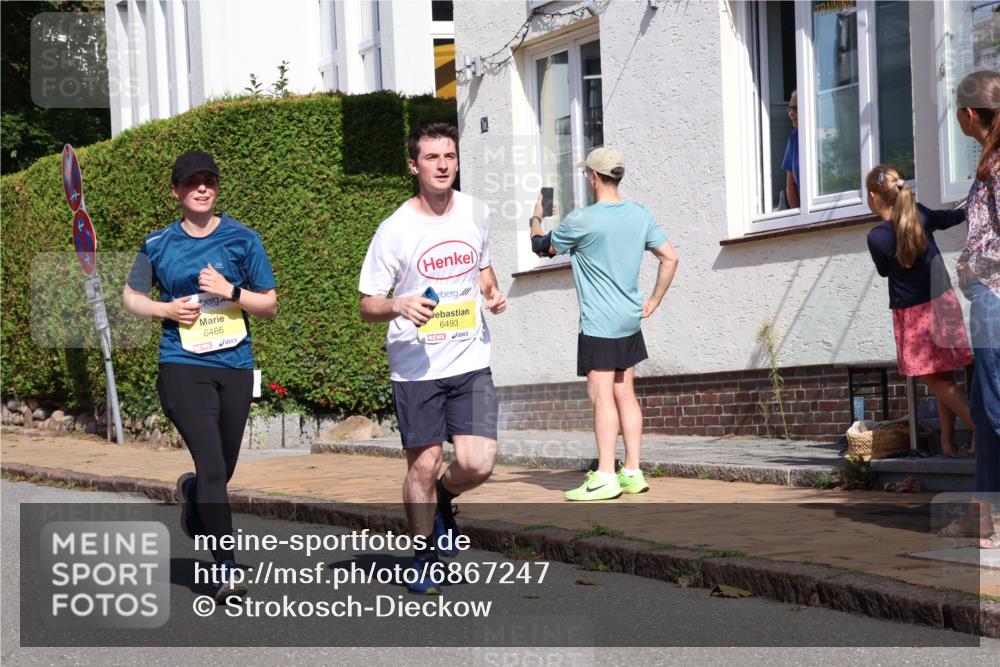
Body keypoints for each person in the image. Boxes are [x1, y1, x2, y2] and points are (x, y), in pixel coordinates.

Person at [123, 150, 278, 601]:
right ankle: (227, 568)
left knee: (222, 468)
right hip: (182, 364)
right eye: (192, 182)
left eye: (209, 179)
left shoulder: (243, 239)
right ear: (176, 192)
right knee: (212, 465)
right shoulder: (158, 244)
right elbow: (131, 296)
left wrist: (230, 291)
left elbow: (268, 304)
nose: (202, 187)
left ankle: (192, 495)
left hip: (234, 365)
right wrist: (164, 309)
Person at [359, 122, 507, 592]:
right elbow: (367, 304)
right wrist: (398, 304)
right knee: (422, 465)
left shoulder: (475, 212)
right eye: (432, 158)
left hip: (471, 361)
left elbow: (481, 268)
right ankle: (424, 555)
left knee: (479, 463)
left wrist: (493, 292)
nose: (443, 165)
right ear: (414, 166)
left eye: (449, 156)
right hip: (416, 368)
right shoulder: (395, 230)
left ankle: (444, 498)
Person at [530, 147, 678, 501]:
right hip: (629, 319)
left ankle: (605, 476)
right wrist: (654, 301)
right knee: (625, 392)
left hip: (598, 323)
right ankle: (632, 471)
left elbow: (541, 246)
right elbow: (670, 257)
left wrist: (536, 216)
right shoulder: (640, 215)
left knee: (601, 396)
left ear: (593, 177)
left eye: (587, 175)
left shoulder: (583, 220)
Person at [865, 164, 976, 458]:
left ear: (874, 198)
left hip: (915, 315)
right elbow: (951, 217)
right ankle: (948, 444)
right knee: (944, 378)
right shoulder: (921, 215)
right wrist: (971, 201)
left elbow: (884, 272)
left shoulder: (877, 237)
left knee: (935, 380)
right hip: (944, 303)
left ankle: (982, 429)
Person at [955, 70, 1000, 549]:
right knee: (987, 415)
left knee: (996, 405)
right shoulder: (987, 162)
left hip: (995, 295)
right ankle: (984, 518)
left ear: (969, 114)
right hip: (985, 293)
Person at [781, 90, 800, 209]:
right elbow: (790, 184)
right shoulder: (794, 137)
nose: (791, 114)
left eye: (796, 108)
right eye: (790, 109)